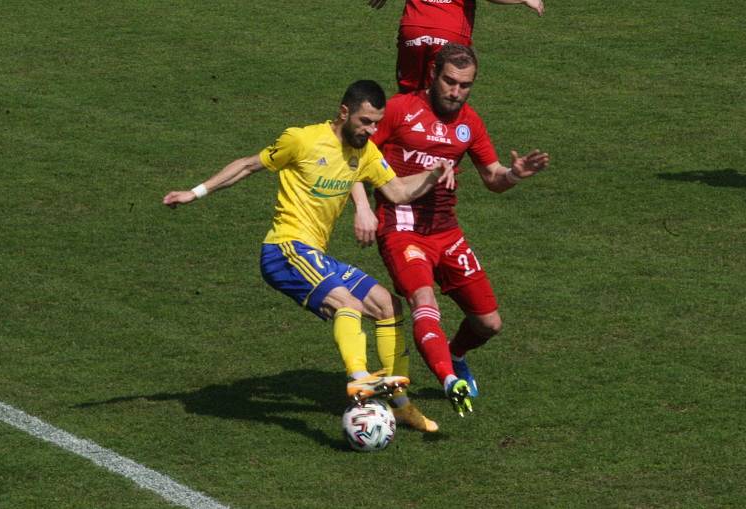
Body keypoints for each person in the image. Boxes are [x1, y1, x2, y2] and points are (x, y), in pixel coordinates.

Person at [163, 80, 455, 432]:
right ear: (344, 112)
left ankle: (402, 405)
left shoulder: (363, 152)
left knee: (386, 305)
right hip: (284, 249)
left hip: (314, 253)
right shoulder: (302, 140)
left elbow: (397, 192)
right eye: (365, 122)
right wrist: (195, 193)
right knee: (346, 304)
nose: (371, 130)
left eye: (377, 123)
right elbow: (247, 165)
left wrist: (434, 174)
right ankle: (360, 378)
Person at [350, 44, 549, 416]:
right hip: (401, 228)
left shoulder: (469, 123)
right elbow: (353, 157)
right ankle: (448, 380)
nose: (456, 92)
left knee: (489, 323)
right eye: (450, 82)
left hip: (446, 231)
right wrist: (363, 207)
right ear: (432, 76)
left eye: (465, 85)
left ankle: (455, 354)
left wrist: (514, 176)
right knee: (424, 301)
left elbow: (492, 177)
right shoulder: (398, 110)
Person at [367, 0, 544, 93]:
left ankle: (396, 155)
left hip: (414, 29)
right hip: (449, 31)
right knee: (442, 98)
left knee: (407, 97)